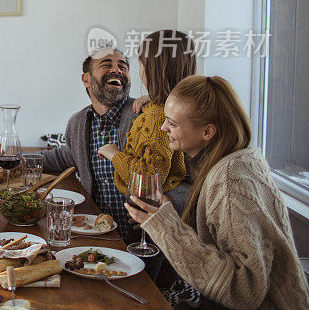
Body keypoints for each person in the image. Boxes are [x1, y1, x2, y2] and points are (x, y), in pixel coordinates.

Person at [125, 75, 309, 309]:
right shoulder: (237, 159)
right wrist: (168, 216)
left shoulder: (230, 180)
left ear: (207, 132)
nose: (163, 128)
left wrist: (165, 228)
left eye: (172, 123)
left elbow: (243, 290)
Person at [42, 47, 138, 241]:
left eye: (123, 66)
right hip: (95, 234)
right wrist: (15, 159)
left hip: (140, 239)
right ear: (86, 79)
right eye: (106, 65)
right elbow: (66, 157)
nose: (117, 70)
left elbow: (176, 175)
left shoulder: (143, 117)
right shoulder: (78, 123)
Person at [98, 30, 193, 212]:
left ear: (153, 70)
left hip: (155, 213)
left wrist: (114, 154)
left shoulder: (158, 115)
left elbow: (148, 180)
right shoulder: (170, 108)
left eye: (141, 65)